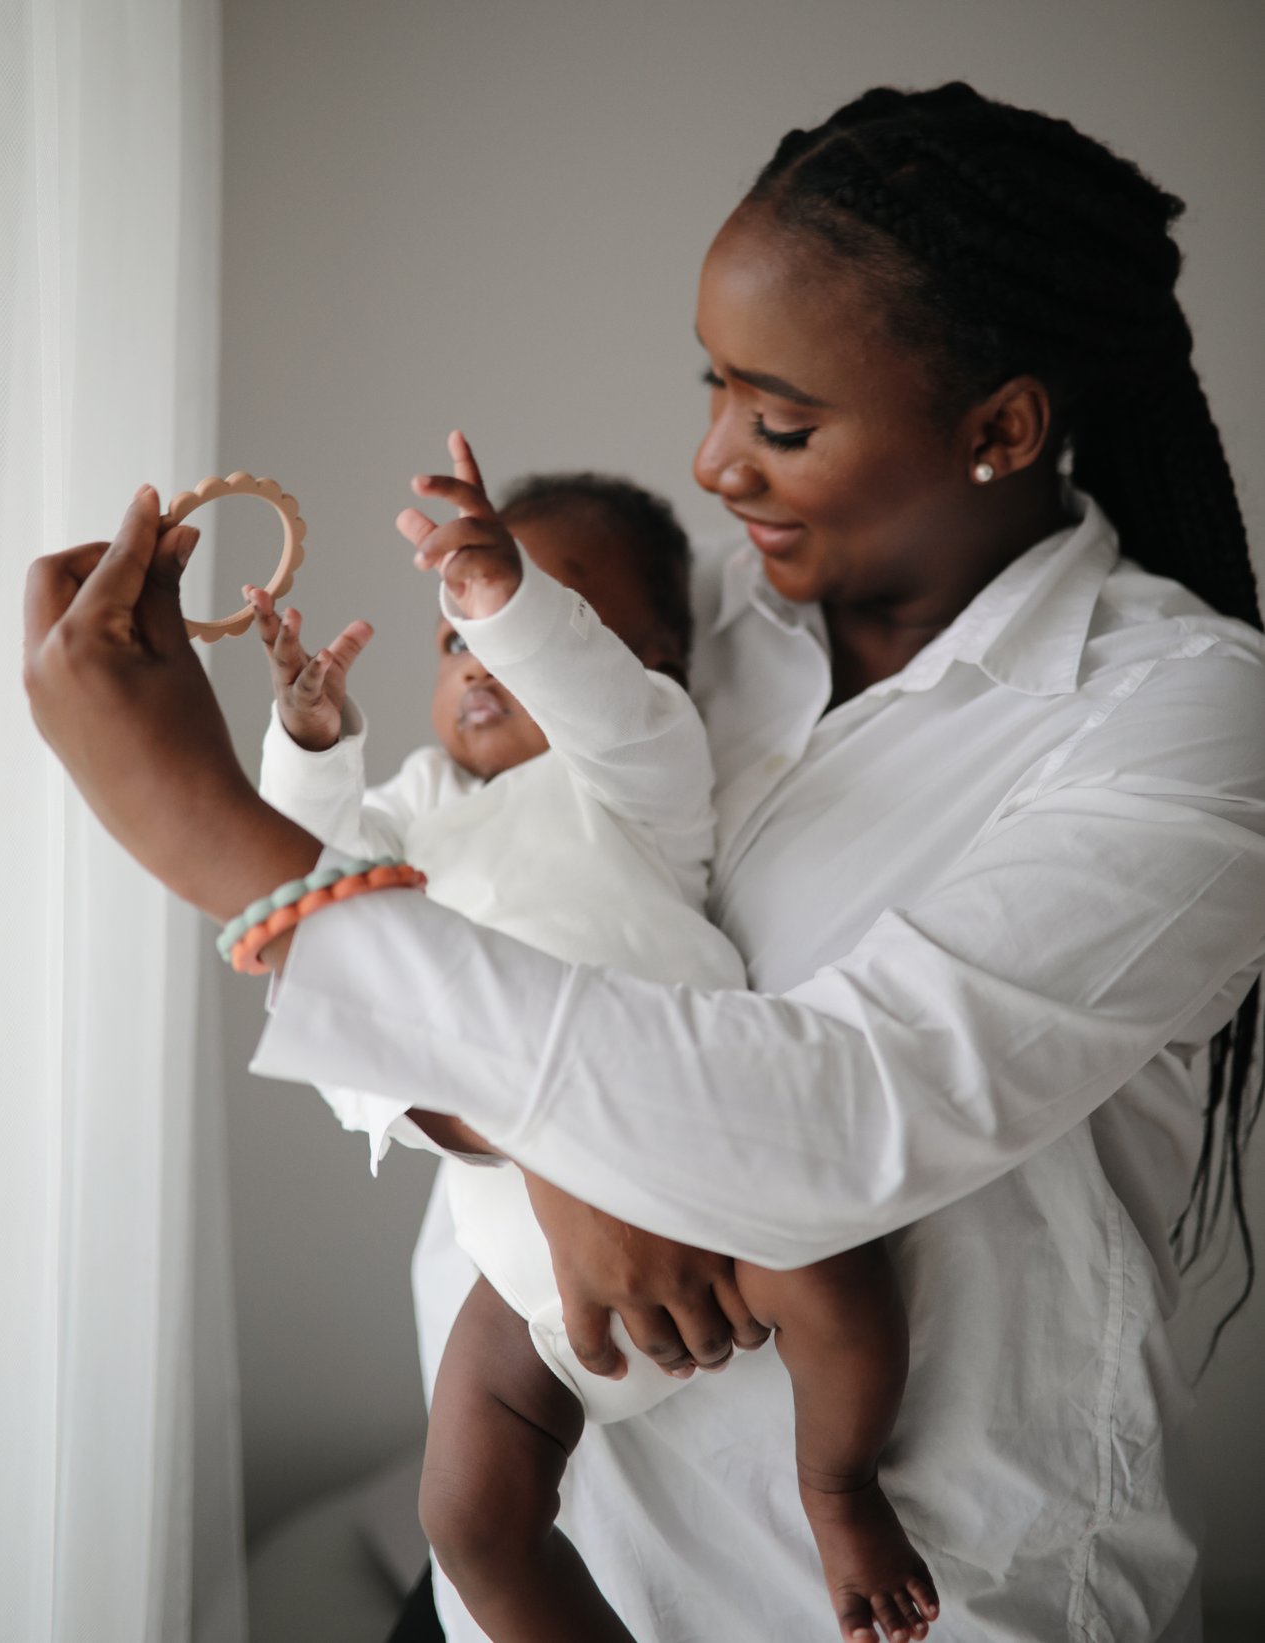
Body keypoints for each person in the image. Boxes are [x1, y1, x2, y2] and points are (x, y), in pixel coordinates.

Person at [23, 82, 1265, 1643]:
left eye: (781, 420)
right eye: (716, 393)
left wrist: (225, 844)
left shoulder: (1185, 716)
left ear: (1001, 428)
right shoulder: (673, 635)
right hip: (538, 1556)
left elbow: (823, 1121)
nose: (714, 462)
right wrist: (545, 1147)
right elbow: (455, 954)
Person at [251, 449, 938, 1642]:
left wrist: (506, 601)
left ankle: (836, 1485)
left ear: (654, 658)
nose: (476, 658)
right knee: (468, 1518)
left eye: (527, 621)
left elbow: (601, 704)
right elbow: (317, 913)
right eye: (451, 635)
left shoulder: (635, 777)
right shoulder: (414, 805)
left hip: (696, 1149)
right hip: (517, 1240)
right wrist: (312, 745)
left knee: (837, 1276)